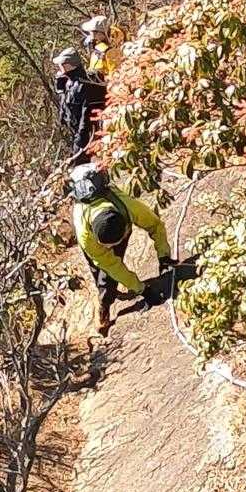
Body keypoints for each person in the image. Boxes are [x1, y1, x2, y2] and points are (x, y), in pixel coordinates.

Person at [69, 164, 171, 336]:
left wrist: (164, 256)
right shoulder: (86, 237)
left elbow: (155, 225)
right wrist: (142, 289)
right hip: (95, 243)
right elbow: (112, 266)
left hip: (116, 224)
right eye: (108, 245)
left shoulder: (127, 207)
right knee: (104, 275)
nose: (112, 247)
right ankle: (104, 305)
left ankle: (108, 293)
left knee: (112, 267)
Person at [53, 47, 107, 165]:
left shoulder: (85, 84)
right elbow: (67, 106)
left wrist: (80, 139)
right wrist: (61, 91)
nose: (59, 67)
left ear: (69, 65)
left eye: (62, 64)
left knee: (83, 165)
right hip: (77, 132)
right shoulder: (68, 81)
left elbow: (86, 114)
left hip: (88, 136)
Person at [81, 15, 125, 80]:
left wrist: (104, 78)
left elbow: (116, 75)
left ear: (100, 33)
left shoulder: (111, 51)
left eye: (92, 32)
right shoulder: (98, 46)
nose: (91, 35)